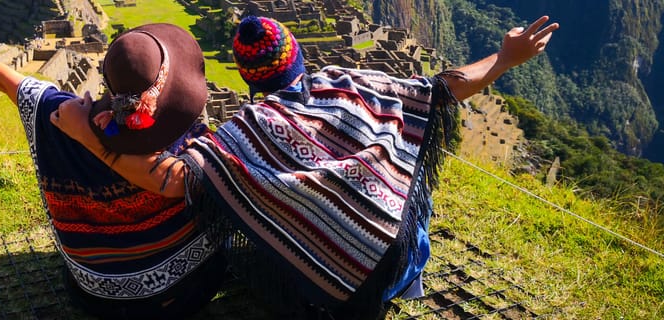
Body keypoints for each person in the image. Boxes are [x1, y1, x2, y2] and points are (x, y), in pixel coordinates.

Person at [56, 15, 559, 319]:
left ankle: (322, 282)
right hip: (391, 260)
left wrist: (89, 136)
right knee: (402, 176)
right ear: (298, 58)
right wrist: (507, 57)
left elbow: (171, 181)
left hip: (315, 281)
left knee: (242, 214)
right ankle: (396, 281)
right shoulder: (350, 82)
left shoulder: (245, 132)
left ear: (249, 79)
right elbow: (444, 87)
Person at [0, 6, 226, 320]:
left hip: (99, 296)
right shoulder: (189, 140)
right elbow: (181, 181)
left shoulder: (58, 116)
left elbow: (5, 80)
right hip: (191, 289)